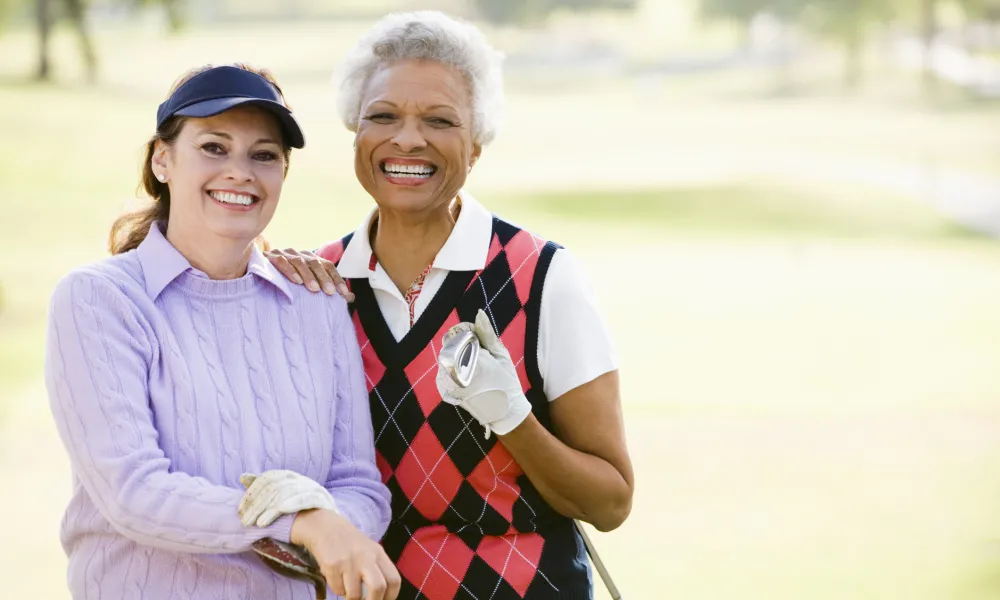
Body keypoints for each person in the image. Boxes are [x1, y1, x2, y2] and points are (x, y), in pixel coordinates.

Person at [257, 12, 634, 599]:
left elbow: (609, 502)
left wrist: (513, 420)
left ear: (476, 145)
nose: (408, 139)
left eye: (440, 120)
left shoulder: (543, 278)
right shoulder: (319, 286)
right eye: (383, 116)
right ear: (355, 131)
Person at [44, 63, 400, 600]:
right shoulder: (100, 300)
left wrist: (323, 523)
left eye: (264, 155)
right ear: (162, 159)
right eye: (213, 147)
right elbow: (133, 492)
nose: (240, 172)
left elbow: (360, 488)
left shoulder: (316, 303)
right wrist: (300, 521)